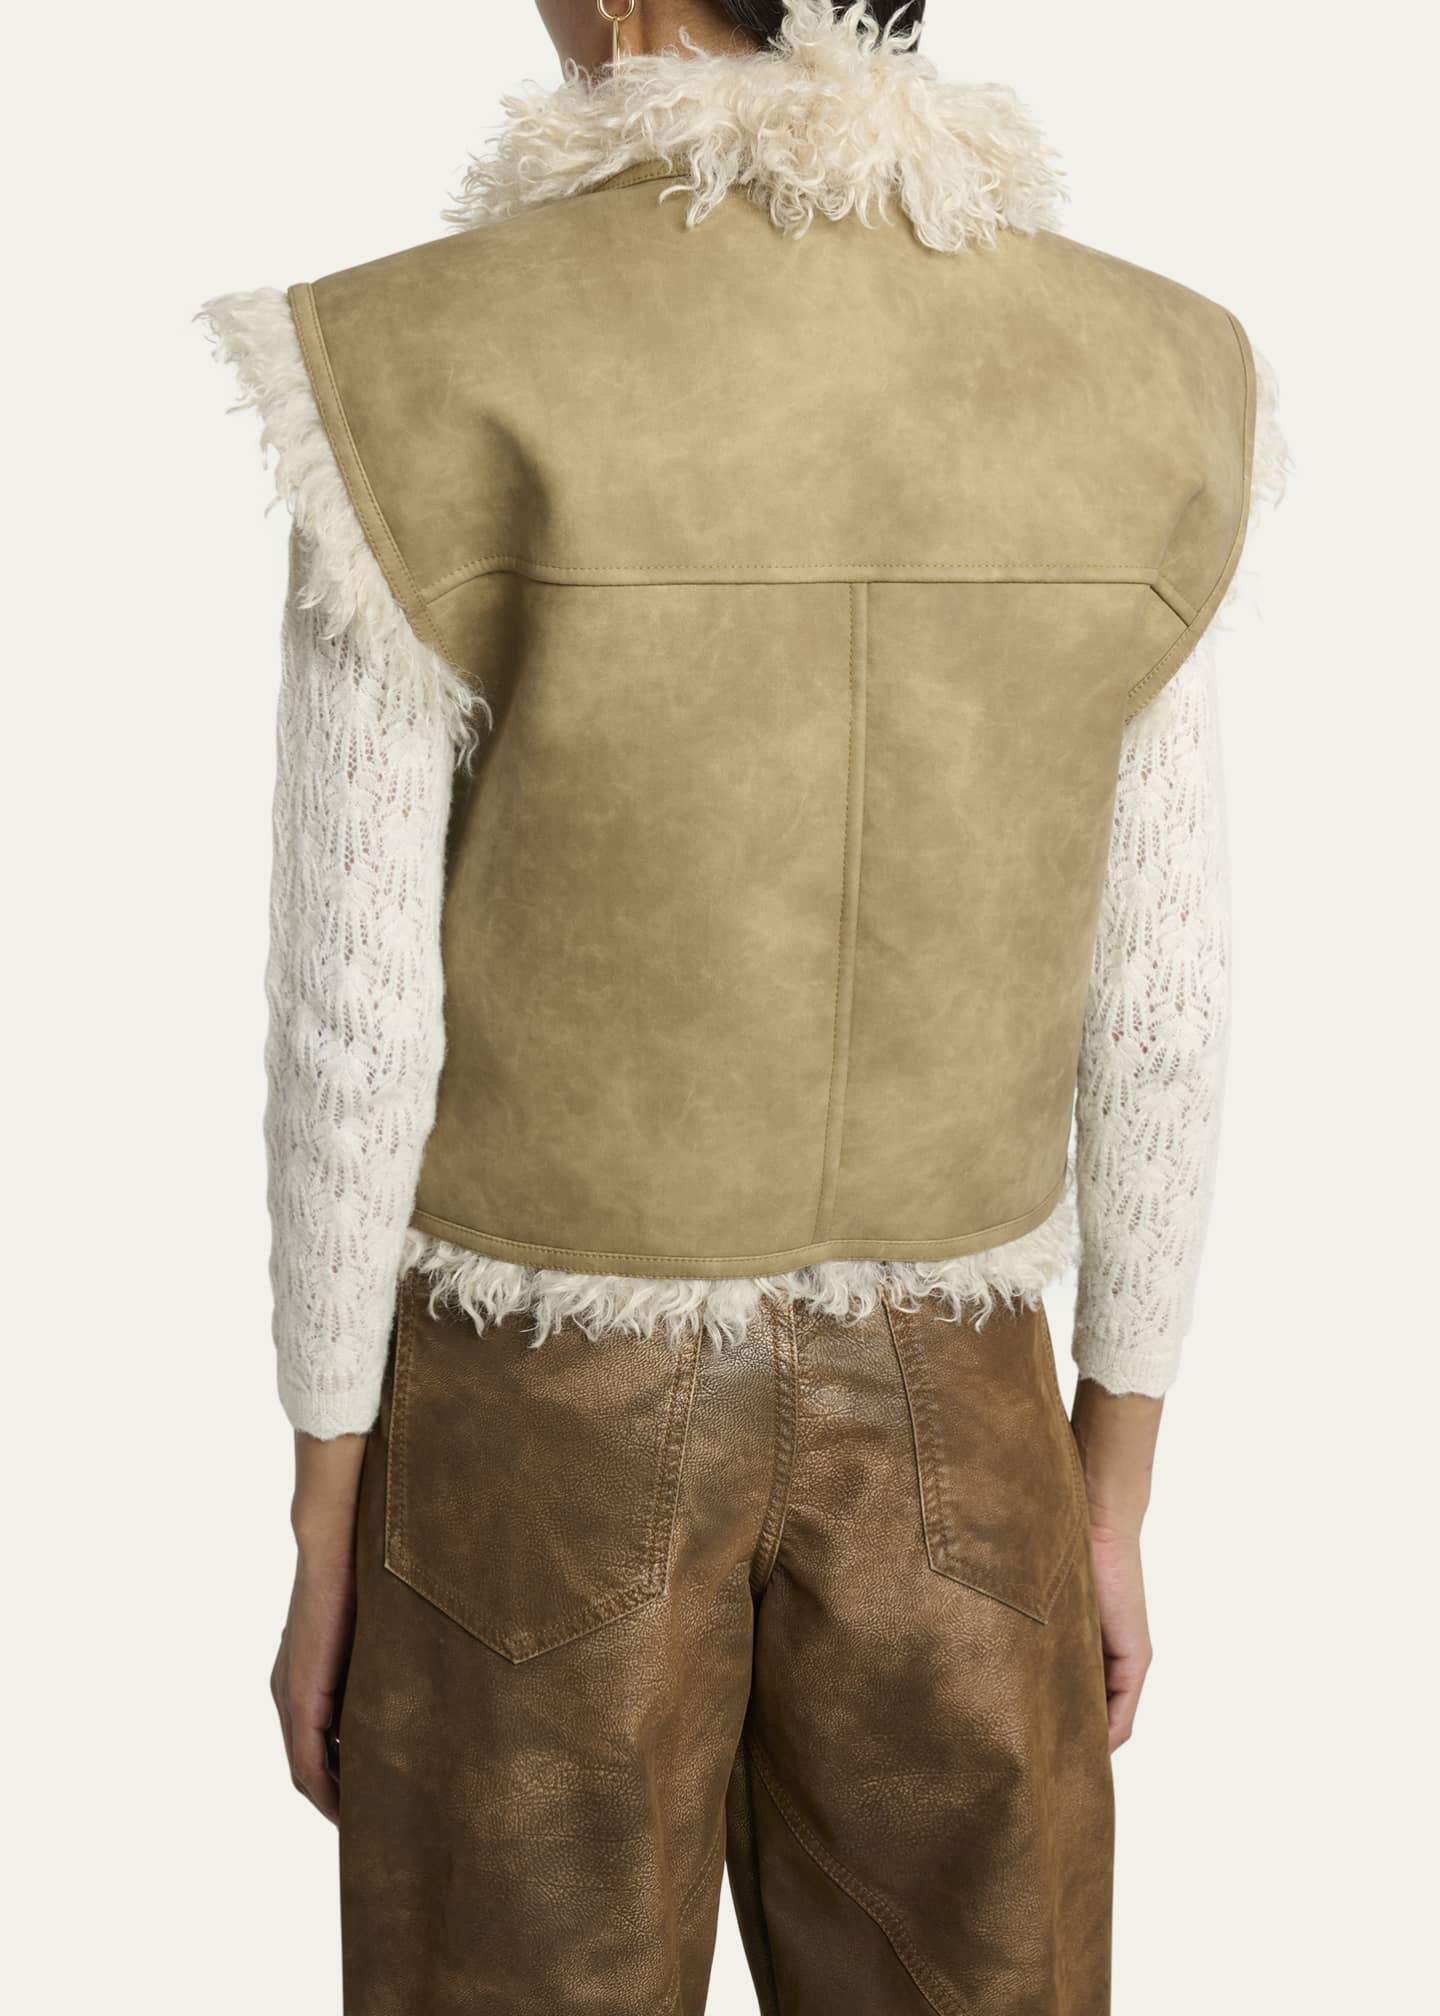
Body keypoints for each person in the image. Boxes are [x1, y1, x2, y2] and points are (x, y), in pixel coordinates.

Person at [203, 1, 1283, 2008]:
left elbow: (355, 1023)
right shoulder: (1146, 369)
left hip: (534, 1439)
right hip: (965, 1430)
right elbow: (1163, 1009)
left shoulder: (421, 360)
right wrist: (1108, 1492)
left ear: (624, 3)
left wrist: (325, 1510)